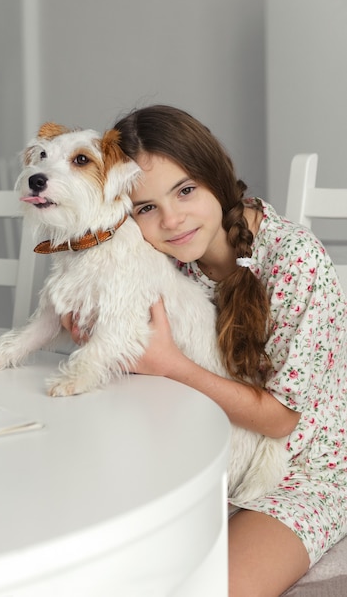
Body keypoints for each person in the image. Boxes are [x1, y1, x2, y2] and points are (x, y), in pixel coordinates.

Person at [64, 104, 347, 596]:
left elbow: (283, 420)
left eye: (186, 190)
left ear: (215, 176)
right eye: (146, 208)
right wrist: (101, 335)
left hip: (306, 473)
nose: (171, 220)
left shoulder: (294, 260)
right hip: (202, 454)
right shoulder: (163, 260)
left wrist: (171, 365)